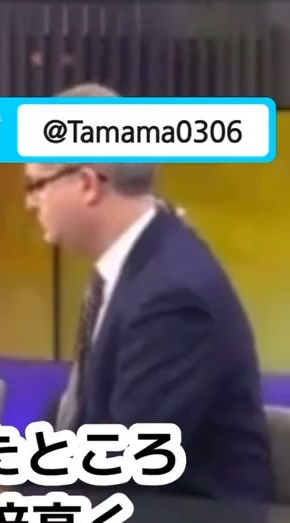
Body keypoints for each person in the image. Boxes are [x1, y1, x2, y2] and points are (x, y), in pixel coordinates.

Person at [27, 82, 272, 501]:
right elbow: (80, 417)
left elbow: (126, 465)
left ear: (87, 184)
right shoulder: (130, 268)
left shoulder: (171, 295)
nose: (31, 203)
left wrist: (15, 490)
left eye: (37, 185)